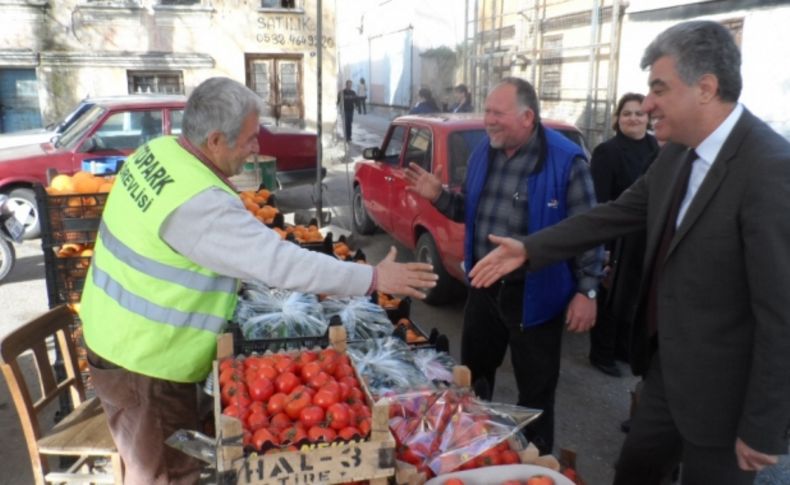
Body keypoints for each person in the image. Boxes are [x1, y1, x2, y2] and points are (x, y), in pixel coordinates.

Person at [468, 21, 790, 485]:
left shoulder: (770, 170)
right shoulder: (677, 154)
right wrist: (529, 248)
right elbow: (611, 215)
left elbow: (781, 314)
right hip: (664, 375)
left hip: (726, 397)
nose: (648, 103)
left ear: (706, 88)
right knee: (633, 472)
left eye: (659, 88)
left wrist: (764, 425)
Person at [79, 77, 437, 484]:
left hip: (119, 339)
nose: (257, 148)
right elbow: (279, 263)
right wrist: (373, 276)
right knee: (166, 473)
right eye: (250, 139)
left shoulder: (159, 151)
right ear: (215, 140)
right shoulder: (197, 204)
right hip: (145, 363)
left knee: (153, 459)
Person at [405, 77, 603, 455]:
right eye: (488, 112)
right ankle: (476, 451)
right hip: (483, 290)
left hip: (536, 295)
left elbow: (587, 232)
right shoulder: (485, 152)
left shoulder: (565, 161)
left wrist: (587, 290)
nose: (488, 121)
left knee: (536, 393)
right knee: (475, 376)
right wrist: (439, 197)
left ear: (527, 117)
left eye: (497, 113)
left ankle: (536, 462)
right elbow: (471, 211)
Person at [588, 93, 659, 377]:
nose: (633, 118)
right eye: (627, 113)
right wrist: (602, 247)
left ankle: (622, 348)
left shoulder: (656, 146)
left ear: (647, 118)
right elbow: (600, 201)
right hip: (615, 239)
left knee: (633, 297)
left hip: (643, 238)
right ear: (618, 118)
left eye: (639, 113)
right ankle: (601, 354)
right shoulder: (608, 151)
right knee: (609, 299)